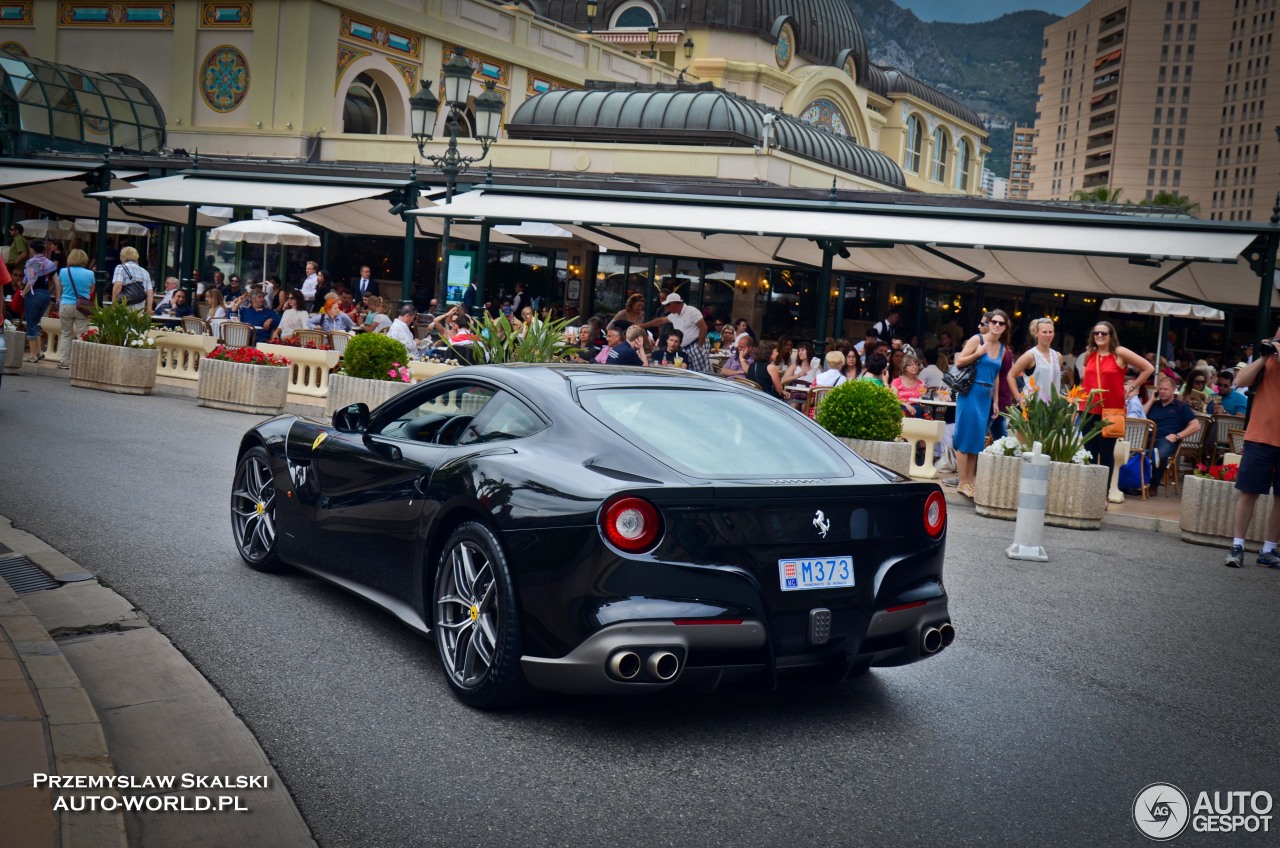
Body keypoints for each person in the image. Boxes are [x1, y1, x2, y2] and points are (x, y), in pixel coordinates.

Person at [1224, 327, 1280, 568]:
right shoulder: (1267, 360)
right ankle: (1237, 545)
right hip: (1260, 436)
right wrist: (1264, 356)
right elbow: (1239, 381)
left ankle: (1269, 549)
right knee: (1248, 492)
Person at [1079, 321, 1154, 471]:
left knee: (1106, 454)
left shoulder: (1119, 352)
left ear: (1111, 335)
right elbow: (1086, 379)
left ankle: (1103, 492)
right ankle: (1091, 489)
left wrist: (1132, 386)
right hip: (1088, 409)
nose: (1099, 335)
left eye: (1103, 333)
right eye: (1096, 333)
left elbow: (1148, 368)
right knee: (1089, 453)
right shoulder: (1089, 354)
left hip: (1111, 410)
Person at [952, 313, 1007, 500]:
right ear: (989, 323)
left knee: (977, 440)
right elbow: (959, 361)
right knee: (965, 436)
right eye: (994, 322)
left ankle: (970, 482)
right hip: (970, 391)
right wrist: (978, 353)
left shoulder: (1002, 348)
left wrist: (996, 401)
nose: (997, 325)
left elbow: (997, 375)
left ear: (1005, 327)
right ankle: (962, 482)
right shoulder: (977, 339)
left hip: (987, 394)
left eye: (1001, 323)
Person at [1143, 374, 1200, 496]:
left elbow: (1196, 426)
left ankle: (1153, 485)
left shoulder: (1181, 407)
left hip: (1167, 440)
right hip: (1149, 437)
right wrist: (1152, 399)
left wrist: (1177, 436)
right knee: (1132, 448)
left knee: (1160, 454)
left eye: (1166, 389)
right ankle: (1134, 483)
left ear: (1173, 390)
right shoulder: (1154, 404)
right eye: (1161, 389)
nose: (1162, 392)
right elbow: (1140, 417)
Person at [640, 293, 709, 373]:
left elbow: (704, 328)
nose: (666, 307)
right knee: (689, 373)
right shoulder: (674, 315)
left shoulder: (692, 311)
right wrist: (642, 326)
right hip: (684, 348)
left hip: (695, 345)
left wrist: (699, 346)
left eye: (668, 305)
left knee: (701, 373)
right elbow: (661, 320)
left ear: (675, 303)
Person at [53, 248, 94, 371]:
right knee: (83, 335)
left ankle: (65, 362)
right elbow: (91, 290)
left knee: (66, 335)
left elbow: (59, 288)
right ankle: (80, 363)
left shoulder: (64, 271)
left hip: (65, 304)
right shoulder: (90, 273)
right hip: (82, 306)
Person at [1007, 316, 1062, 403]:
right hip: (1032, 407)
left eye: (1050, 332)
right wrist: (1018, 397)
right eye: (1044, 332)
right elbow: (1011, 375)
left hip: (1052, 408)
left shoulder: (1057, 356)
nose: (1048, 335)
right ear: (1036, 333)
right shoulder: (1030, 356)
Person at [20, 239, 57, 362]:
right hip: (46, 295)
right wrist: (58, 297)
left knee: (30, 323)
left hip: (34, 294)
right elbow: (57, 281)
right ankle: (39, 352)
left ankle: (32, 354)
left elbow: (31, 280)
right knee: (35, 323)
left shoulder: (32, 262)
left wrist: (23, 293)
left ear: (32, 249)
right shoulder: (49, 263)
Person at [112, 246, 154, 313]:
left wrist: (114, 303)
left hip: (125, 303)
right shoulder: (145, 272)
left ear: (122, 256)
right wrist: (149, 309)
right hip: (140, 306)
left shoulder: (120, 268)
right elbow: (150, 292)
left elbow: (118, 285)